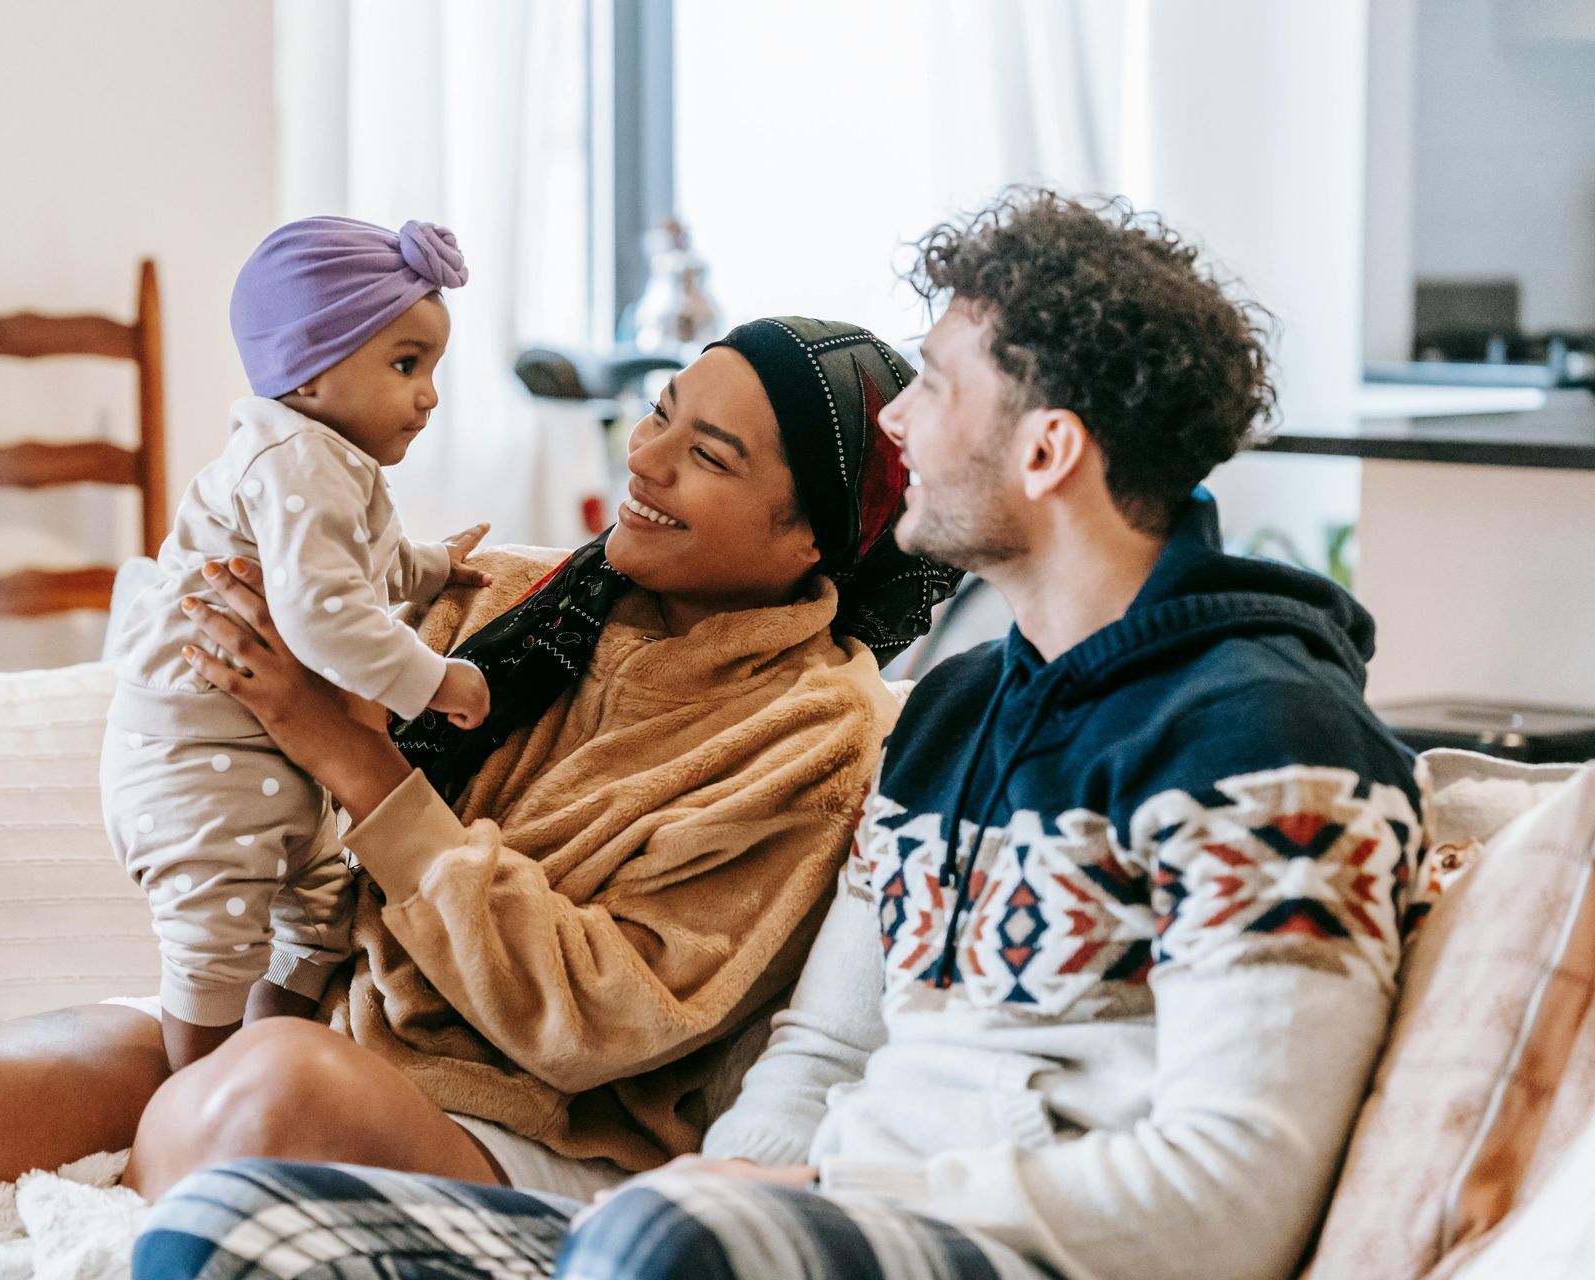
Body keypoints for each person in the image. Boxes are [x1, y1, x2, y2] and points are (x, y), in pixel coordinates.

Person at [133, 190, 1423, 1280]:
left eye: (935, 384)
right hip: (785, 1215)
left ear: (1047, 449)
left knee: (655, 1229)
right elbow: (825, 1047)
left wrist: (798, 1191)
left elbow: (1235, 1187)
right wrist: (744, 1179)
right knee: (224, 1225)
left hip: (973, 1242)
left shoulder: (1269, 736)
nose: (900, 428)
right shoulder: (959, 715)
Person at [0, 318, 954, 1280]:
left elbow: (601, 1016)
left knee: (262, 1094)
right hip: (318, 1022)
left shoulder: (821, 736)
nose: (646, 457)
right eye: (663, 415)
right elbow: (262, 742)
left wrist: (362, 762)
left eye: (708, 454)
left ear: (816, 540)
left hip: (538, 1132)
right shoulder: (518, 594)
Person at [105, 215, 492, 1074]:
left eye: (432, 367)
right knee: (216, 936)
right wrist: (436, 682)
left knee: (321, 910)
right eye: (406, 364)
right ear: (312, 371)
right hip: (194, 756)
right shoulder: (297, 461)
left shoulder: (329, 461)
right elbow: (324, 617)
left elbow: (358, 569)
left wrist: (428, 570)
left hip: (258, 757)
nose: (429, 395)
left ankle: (261, 1056)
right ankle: (192, 1091)